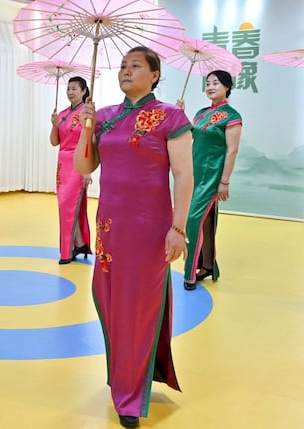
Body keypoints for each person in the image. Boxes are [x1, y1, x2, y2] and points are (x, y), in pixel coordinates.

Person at [74, 46, 193, 428]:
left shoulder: (170, 116)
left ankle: (129, 392)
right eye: (123, 66)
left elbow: (184, 175)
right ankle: (128, 374)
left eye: (136, 66)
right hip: (110, 227)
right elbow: (85, 165)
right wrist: (86, 128)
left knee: (137, 308)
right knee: (108, 302)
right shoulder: (105, 116)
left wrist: (179, 228)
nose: (126, 71)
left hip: (149, 229)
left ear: (155, 74)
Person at [178, 70, 242, 290]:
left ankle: (189, 272)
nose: (210, 86)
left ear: (227, 87)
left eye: (216, 83)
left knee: (193, 221)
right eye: (208, 83)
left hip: (211, 177)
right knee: (202, 220)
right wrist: (180, 114)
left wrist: (224, 181)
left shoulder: (232, 116)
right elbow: (190, 136)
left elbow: (232, 150)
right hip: (195, 174)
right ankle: (207, 265)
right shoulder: (201, 112)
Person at [49, 76, 92, 264]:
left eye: (75, 88)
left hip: (78, 163)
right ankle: (79, 243)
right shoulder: (63, 114)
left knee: (69, 205)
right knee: (65, 206)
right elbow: (54, 142)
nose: (70, 92)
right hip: (62, 164)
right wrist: (54, 125)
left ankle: (67, 251)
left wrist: (87, 169)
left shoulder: (88, 113)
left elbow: (90, 140)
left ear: (84, 91)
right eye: (68, 88)